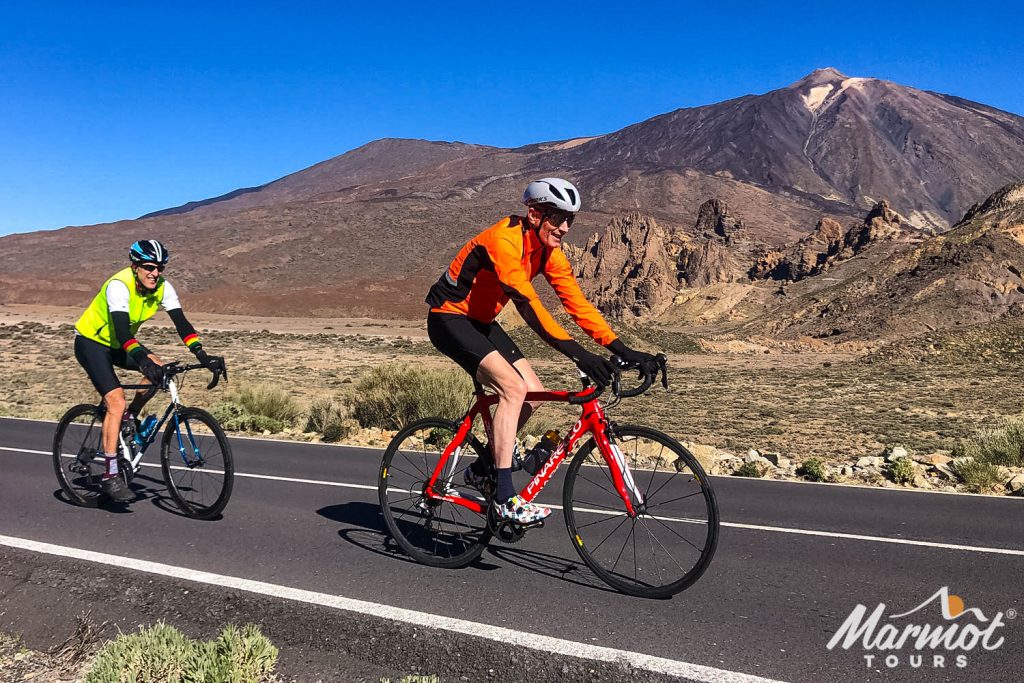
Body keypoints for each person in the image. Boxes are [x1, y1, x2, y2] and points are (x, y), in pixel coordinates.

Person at [426, 178, 658, 524]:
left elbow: (576, 303)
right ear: (534, 214)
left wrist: (621, 347)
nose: (565, 228)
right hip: (449, 318)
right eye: (558, 218)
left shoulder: (549, 252)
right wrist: (580, 355)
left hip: (482, 321)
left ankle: (484, 469)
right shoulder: (504, 241)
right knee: (513, 388)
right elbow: (529, 306)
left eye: (571, 220)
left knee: (532, 391)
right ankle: (505, 497)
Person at [74, 239, 226, 502]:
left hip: (119, 344)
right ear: (135, 267)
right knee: (115, 401)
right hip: (92, 343)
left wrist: (202, 354)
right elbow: (122, 332)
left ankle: (130, 417)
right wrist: (141, 359)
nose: (154, 273)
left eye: (159, 268)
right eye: (148, 267)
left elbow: (182, 324)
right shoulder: (119, 286)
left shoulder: (163, 288)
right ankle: (110, 474)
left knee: (159, 369)